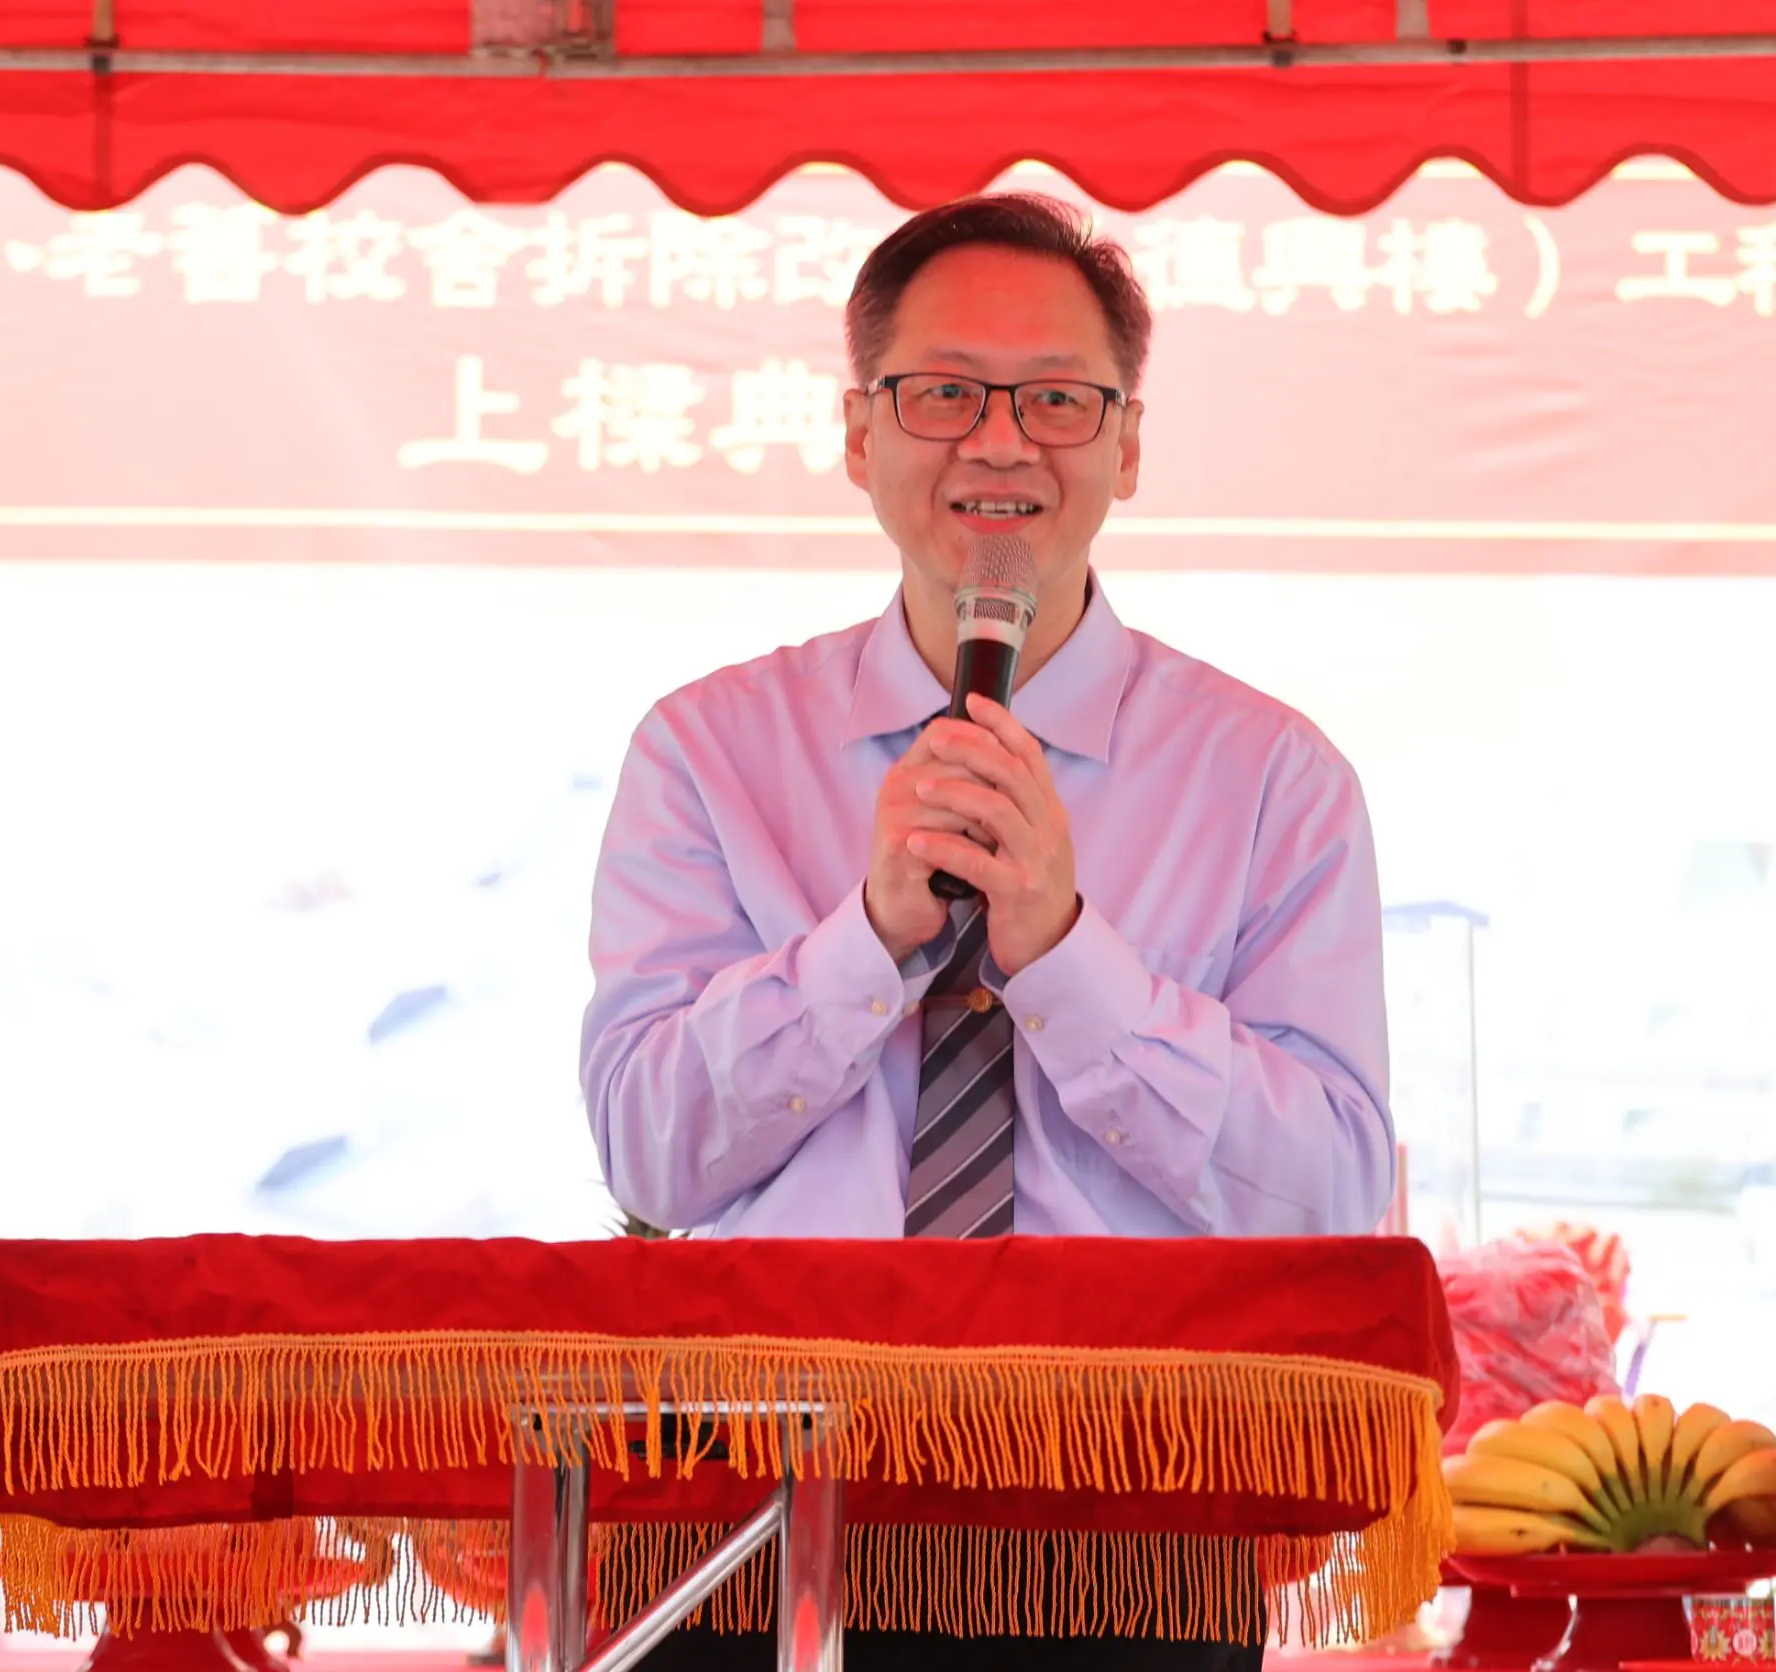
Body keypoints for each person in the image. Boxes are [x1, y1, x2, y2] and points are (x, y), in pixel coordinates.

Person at [578, 192, 1395, 1671]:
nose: (1002, 442)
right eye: (945, 393)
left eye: (1058, 400)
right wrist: (869, 937)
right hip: (756, 1509)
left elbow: (1331, 1196)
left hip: (1132, 1517)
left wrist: (1070, 956)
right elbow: (650, 1152)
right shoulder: (709, 751)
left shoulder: (1273, 778)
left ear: (1127, 447)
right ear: (859, 433)